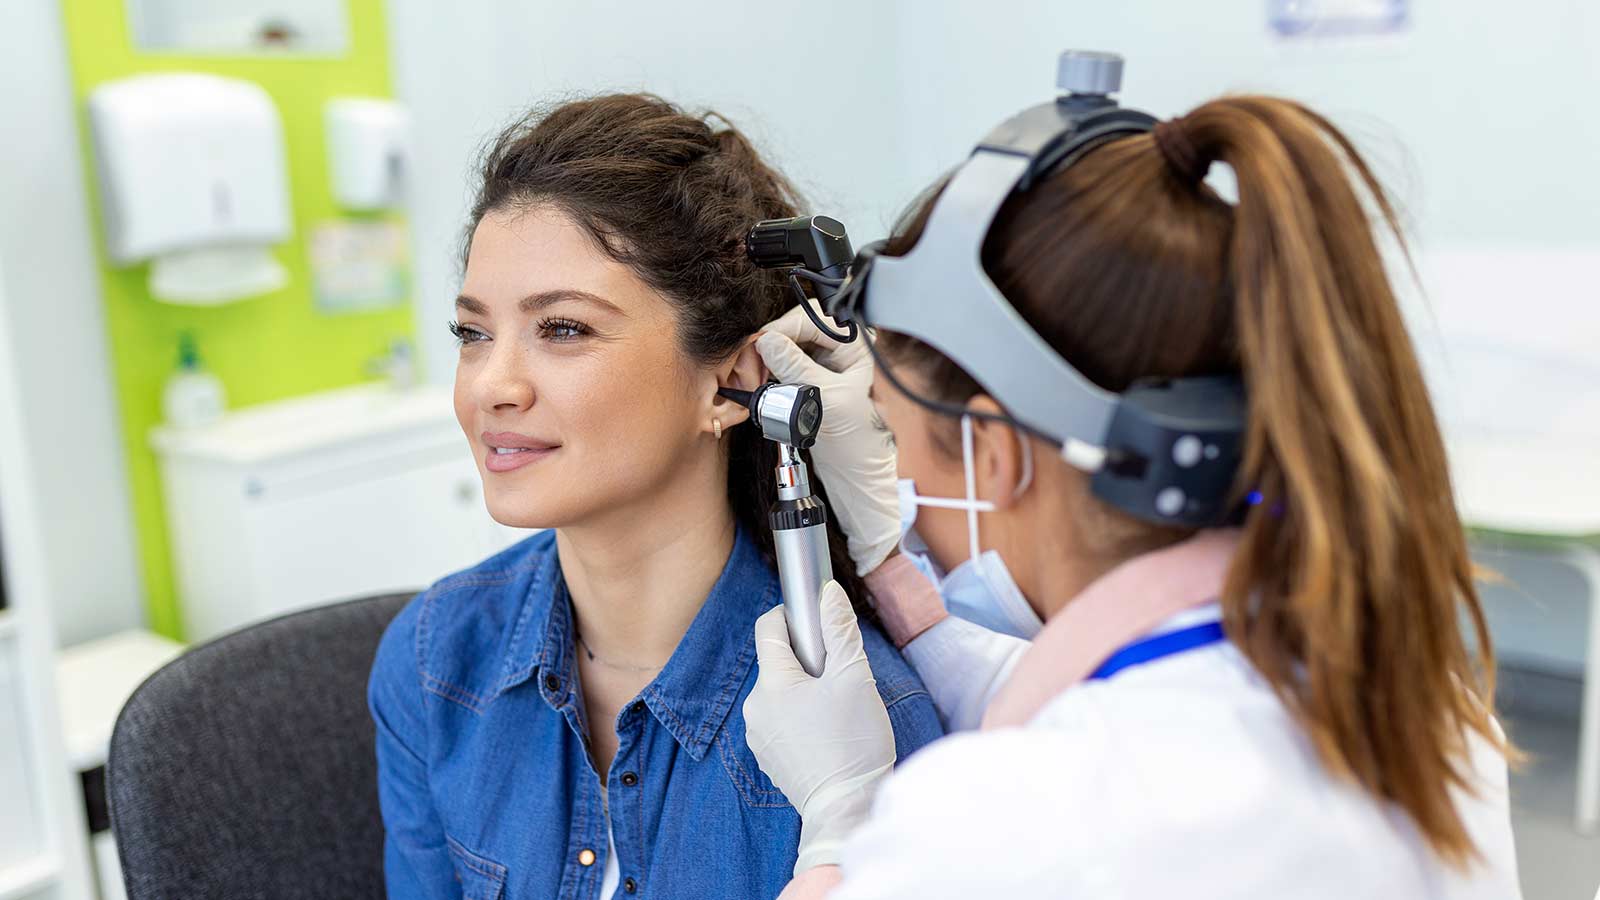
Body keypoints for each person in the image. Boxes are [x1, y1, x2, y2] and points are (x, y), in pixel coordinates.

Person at [743, 88, 1523, 898]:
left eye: (896, 442)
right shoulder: (1424, 708)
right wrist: (896, 581)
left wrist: (839, 820)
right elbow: (1086, 694)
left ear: (996, 456)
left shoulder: (1003, 828)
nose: (898, 489)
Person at [366, 93, 944, 900]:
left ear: (731, 379)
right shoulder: (435, 660)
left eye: (563, 328)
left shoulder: (861, 730)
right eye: (473, 333)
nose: (491, 386)